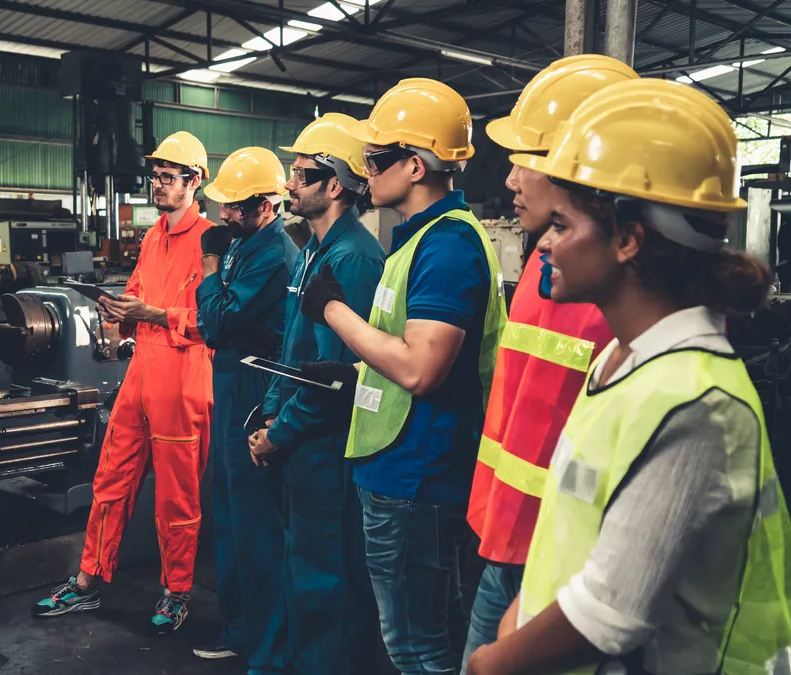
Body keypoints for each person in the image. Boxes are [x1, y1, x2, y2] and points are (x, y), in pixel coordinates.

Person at [466, 78, 791, 675]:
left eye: (561, 226)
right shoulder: (620, 360)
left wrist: (489, 663)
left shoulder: (695, 402)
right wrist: (517, 615)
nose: (543, 248)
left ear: (627, 239)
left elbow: (610, 615)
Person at [298, 79, 507, 674]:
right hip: (399, 466)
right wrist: (355, 366)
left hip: (416, 475)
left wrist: (333, 311)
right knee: (428, 633)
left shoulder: (447, 247)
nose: (365, 171)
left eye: (376, 158)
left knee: (416, 646)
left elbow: (420, 367)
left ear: (414, 165)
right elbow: (401, 348)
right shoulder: (418, 240)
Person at [461, 55, 636, 671]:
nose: (509, 177)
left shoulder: (627, 299)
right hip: (507, 543)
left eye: (523, 159)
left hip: (566, 568)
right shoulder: (543, 263)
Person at [32, 131, 215, 634]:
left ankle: (177, 591)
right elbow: (137, 295)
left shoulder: (211, 241)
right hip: (140, 375)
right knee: (110, 481)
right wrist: (117, 312)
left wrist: (151, 312)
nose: (157, 184)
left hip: (183, 377)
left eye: (167, 177)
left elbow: (215, 321)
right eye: (155, 176)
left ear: (194, 181)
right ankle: (89, 581)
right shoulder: (153, 236)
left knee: (177, 496)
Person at [248, 112, 384, 673]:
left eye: (301, 175)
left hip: (324, 444)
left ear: (335, 185)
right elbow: (292, 349)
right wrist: (270, 418)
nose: (289, 184)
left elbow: (332, 373)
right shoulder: (310, 251)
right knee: (301, 570)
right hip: (296, 438)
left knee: (325, 578)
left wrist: (281, 432)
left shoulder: (353, 257)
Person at [193, 147, 298, 671]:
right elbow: (216, 319)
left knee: (257, 529)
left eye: (235, 207)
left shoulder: (273, 254)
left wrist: (210, 269)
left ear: (266, 204)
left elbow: (215, 322)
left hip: (255, 391)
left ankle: (269, 649)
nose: (223, 215)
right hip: (230, 388)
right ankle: (241, 631)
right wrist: (217, 285)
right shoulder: (244, 244)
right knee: (231, 525)